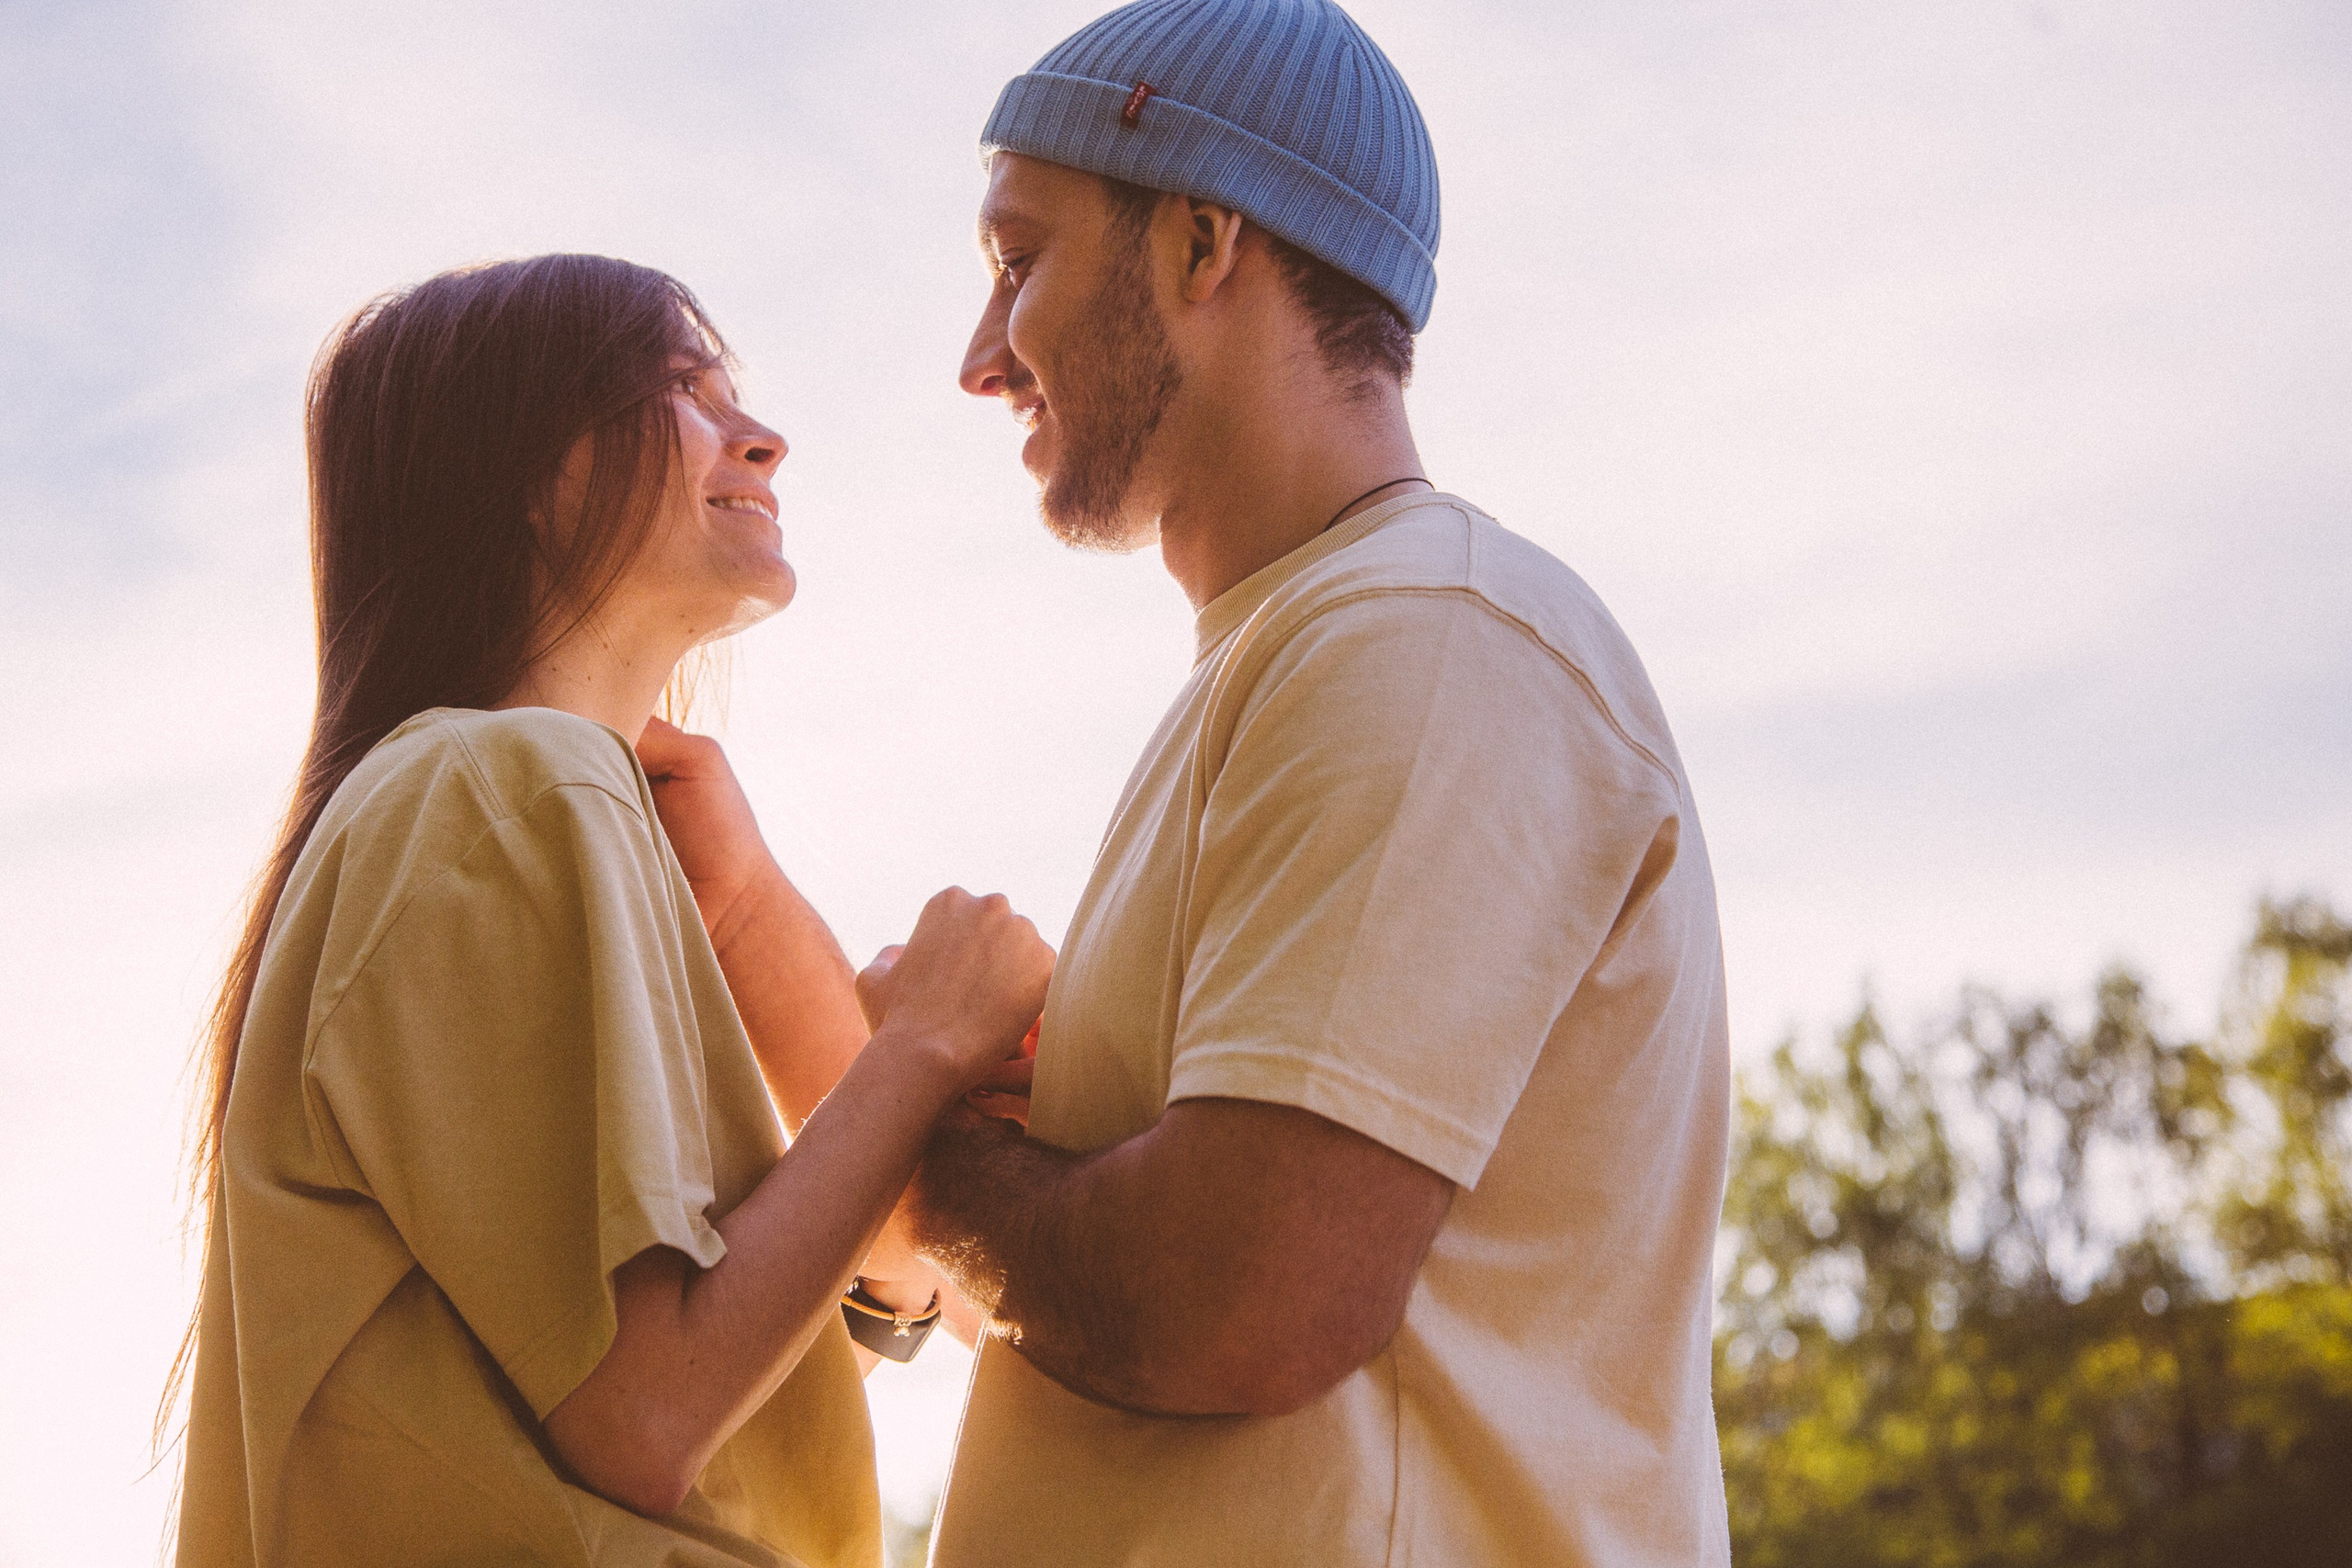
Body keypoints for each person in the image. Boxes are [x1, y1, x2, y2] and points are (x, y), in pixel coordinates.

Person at [912, 1, 1733, 1562]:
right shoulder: (1310, 657)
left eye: (1018, 260)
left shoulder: (1423, 641)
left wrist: (931, 1152)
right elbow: (1155, 1332)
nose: (978, 359)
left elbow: (1241, 1304)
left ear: (1203, 242)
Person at [167, 253, 1051, 1568]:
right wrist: (921, 1048)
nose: (760, 435)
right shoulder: (508, 781)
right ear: (522, 473)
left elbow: (674, 1410)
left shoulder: (471, 802)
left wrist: (873, 1276)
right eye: (677, 390)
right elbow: (641, 1417)